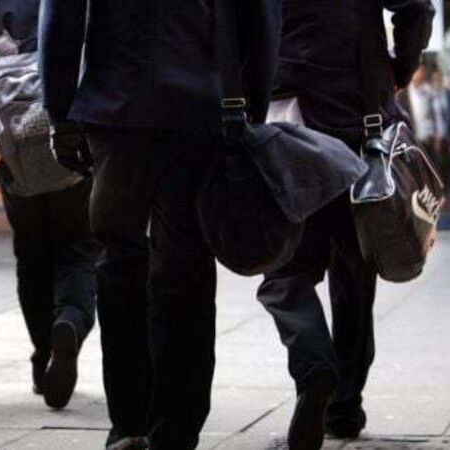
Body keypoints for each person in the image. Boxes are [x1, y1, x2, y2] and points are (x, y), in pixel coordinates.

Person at [39, 0, 280, 448]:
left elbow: (62, 15)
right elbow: (261, 18)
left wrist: (59, 112)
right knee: (186, 268)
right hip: (201, 107)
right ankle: (177, 427)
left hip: (117, 105)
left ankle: (129, 422)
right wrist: (253, 107)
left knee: (119, 262)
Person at [257, 1, 434, 448]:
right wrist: (398, 68)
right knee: (355, 271)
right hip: (358, 116)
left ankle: (314, 365)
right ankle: (343, 405)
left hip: (287, 120)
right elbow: (416, 7)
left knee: (286, 270)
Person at [0, 0, 100, 409]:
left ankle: (44, 355)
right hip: (71, 133)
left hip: (15, 144)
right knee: (79, 247)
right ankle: (70, 321)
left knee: (31, 252)